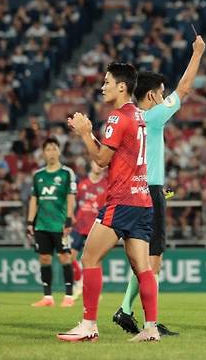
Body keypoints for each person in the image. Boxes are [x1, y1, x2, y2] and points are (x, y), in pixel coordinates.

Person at [57, 62, 158, 343]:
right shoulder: (140, 116)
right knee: (143, 267)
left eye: (106, 82)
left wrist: (85, 133)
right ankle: (150, 328)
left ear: (122, 86)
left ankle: (89, 324)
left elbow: (101, 161)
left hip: (122, 200)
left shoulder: (118, 117)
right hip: (142, 199)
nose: (102, 87)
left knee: (89, 258)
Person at [114, 35, 205, 336]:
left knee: (144, 257)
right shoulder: (153, 117)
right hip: (150, 191)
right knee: (153, 260)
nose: (166, 97)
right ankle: (138, 315)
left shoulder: (131, 117)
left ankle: (126, 310)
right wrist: (197, 53)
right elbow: (186, 88)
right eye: (162, 93)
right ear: (152, 96)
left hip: (139, 188)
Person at [27, 138, 77, 308]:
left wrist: (69, 219)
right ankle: (47, 297)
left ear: (59, 151)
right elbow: (34, 199)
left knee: (65, 257)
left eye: (54, 148)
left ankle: (69, 295)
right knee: (44, 258)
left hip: (59, 224)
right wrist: (29, 221)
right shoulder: (38, 175)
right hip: (42, 224)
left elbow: (71, 197)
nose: (51, 152)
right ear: (43, 152)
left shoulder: (66, 173)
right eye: (48, 149)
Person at [70, 161, 106, 300]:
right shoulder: (81, 183)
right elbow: (72, 202)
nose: (98, 166)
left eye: (100, 164)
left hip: (96, 226)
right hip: (79, 226)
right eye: (95, 163)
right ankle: (78, 283)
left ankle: (96, 291)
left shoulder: (106, 184)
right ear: (91, 164)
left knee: (96, 260)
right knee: (70, 257)